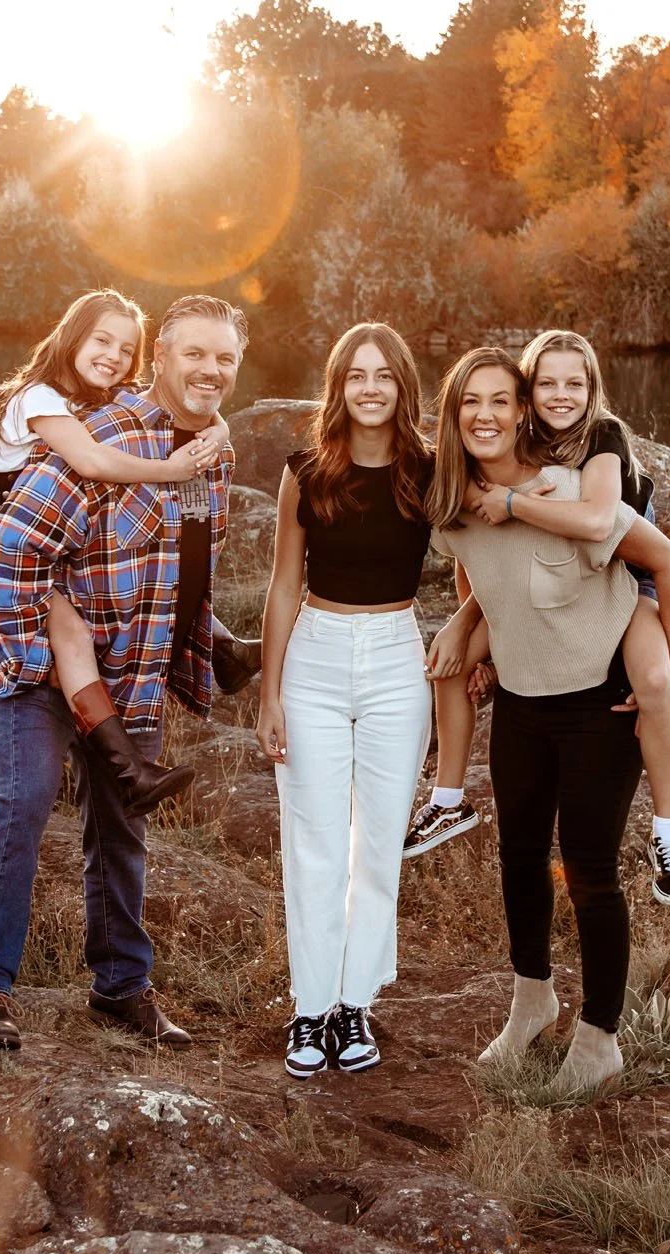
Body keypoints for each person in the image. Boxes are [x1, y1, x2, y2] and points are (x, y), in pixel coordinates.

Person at [0, 295, 250, 1052]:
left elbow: (190, 561)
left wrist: (194, 650)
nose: (210, 370)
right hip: (42, 660)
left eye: (225, 358)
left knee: (122, 828)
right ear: (162, 359)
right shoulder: (102, 434)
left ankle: (121, 987)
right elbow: (10, 547)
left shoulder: (215, 452)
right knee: (22, 801)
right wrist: (37, 657)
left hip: (134, 668)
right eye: (194, 354)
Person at [425, 348, 670, 1096]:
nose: (484, 416)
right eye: (470, 403)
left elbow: (658, 559)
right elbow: (479, 565)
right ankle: (531, 1002)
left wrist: (665, 668)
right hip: (524, 705)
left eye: (501, 402)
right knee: (518, 857)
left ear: (524, 412)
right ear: (454, 413)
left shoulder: (572, 492)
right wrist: (474, 623)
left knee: (591, 872)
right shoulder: (455, 506)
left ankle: (601, 1037)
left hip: (602, 701)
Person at [0, 290, 261, 813]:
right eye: (101, 341)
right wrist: (171, 469)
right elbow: (91, 460)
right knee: (65, 624)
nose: (113, 356)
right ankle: (124, 762)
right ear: (71, 337)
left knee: (168, 564)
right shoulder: (39, 397)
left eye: (125, 348)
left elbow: (168, 402)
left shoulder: (94, 400)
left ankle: (221, 649)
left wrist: (219, 426)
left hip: (26, 542)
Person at [405, 331, 670, 907]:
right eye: (547, 384)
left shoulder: (600, 439)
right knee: (444, 659)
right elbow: (481, 559)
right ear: (529, 396)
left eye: (575, 384)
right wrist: (468, 623)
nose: (562, 396)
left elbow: (601, 524)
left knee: (655, 682)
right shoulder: (518, 444)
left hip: (626, 572)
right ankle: (447, 800)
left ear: (593, 389)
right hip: (562, 572)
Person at [254, 323, 437, 1079]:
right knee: (316, 842)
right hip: (316, 661)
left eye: (383, 375)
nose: (369, 388)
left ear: (402, 386)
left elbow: (478, 559)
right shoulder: (306, 469)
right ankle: (309, 1009)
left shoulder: (430, 470)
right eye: (355, 375)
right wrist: (269, 691)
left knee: (378, 844)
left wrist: (464, 630)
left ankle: (355, 1003)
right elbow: (283, 585)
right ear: (339, 385)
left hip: (398, 659)